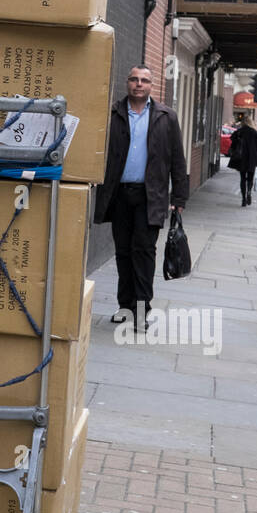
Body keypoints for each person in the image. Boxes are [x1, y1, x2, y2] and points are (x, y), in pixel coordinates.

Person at [94, 65, 189, 330]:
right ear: (127, 82)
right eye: (134, 79)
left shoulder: (166, 117)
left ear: (151, 86)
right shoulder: (112, 113)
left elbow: (178, 161)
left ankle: (141, 311)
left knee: (144, 253)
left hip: (151, 196)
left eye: (144, 80)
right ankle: (124, 307)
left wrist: (179, 198)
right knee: (123, 253)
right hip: (119, 195)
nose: (139, 84)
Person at [228, 112, 257, 206]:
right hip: (252, 158)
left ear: (243, 122)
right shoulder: (256, 133)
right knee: (250, 178)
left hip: (242, 158)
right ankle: (249, 191)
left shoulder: (239, 132)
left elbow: (232, 140)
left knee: (242, 178)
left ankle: (243, 199)